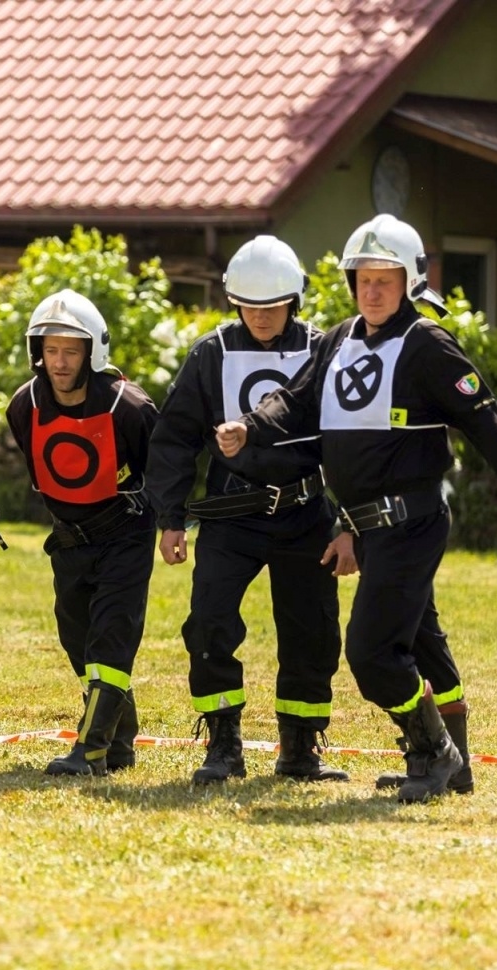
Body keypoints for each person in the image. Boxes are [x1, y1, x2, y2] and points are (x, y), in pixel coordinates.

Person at [217, 214, 497, 802]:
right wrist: (248, 428)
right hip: (369, 530)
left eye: (385, 279)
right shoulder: (338, 340)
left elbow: (485, 419)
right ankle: (456, 763)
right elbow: (294, 403)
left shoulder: (426, 343)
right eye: (363, 279)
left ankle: (433, 753)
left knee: (374, 652)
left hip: (413, 524)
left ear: (409, 283)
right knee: (422, 642)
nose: (372, 291)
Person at [148, 236, 355, 786]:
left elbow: (350, 442)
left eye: (273, 304)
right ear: (234, 301)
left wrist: (350, 523)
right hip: (229, 514)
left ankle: (300, 750)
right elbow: (173, 440)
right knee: (209, 623)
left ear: (295, 299)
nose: (261, 316)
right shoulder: (210, 353)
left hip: (305, 514)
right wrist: (171, 518)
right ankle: (223, 746)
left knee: (312, 632)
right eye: (250, 304)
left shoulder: (324, 349)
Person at [4, 290, 158, 776]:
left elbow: (160, 470)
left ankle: (90, 748)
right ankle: (121, 739)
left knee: (110, 638)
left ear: (93, 353)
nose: (60, 361)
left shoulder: (129, 407)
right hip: (68, 540)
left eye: (71, 350)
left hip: (125, 535)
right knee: (78, 641)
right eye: (51, 350)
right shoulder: (23, 405)